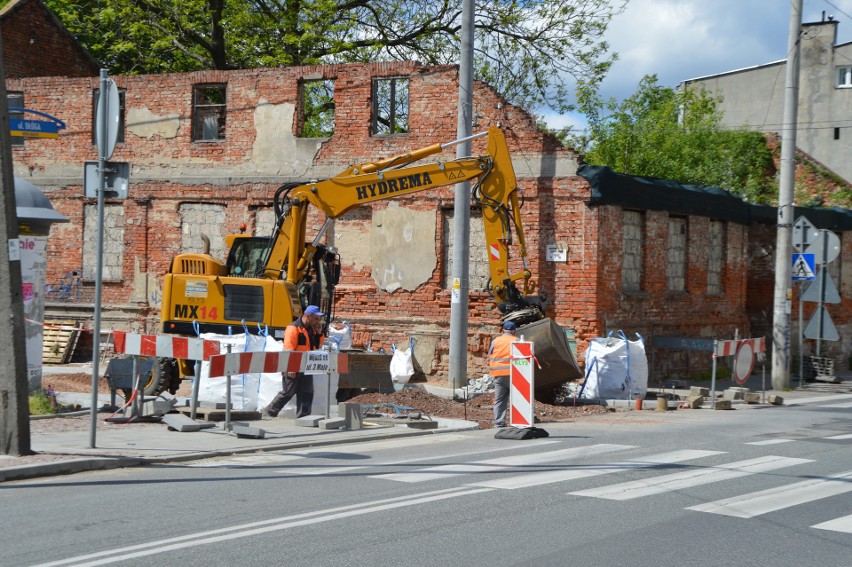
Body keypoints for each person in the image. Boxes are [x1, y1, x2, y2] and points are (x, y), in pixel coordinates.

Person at [264, 305, 325, 418]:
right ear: (308, 316)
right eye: (316, 318)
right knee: (288, 392)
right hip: (294, 366)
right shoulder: (293, 328)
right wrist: (291, 367)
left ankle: (304, 417)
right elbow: (288, 349)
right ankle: (270, 412)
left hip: (307, 366)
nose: (318, 321)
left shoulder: (311, 330)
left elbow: (318, 346)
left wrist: (320, 333)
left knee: (307, 393)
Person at [488, 320, 518, 428]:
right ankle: (519, 421)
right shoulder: (517, 340)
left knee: (499, 399)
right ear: (514, 331)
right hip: (513, 374)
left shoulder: (496, 341)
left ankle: (498, 423)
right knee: (518, 398)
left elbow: (490, 353)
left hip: (498, 374)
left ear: (503, 330)